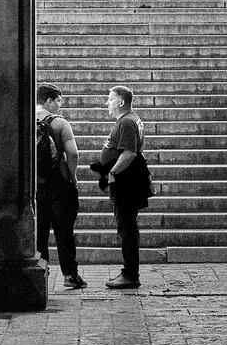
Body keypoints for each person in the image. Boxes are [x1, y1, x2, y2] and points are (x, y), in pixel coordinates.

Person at [89, 85, 149, 289]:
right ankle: (129, 272)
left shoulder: (127, 122)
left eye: (110, 99)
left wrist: (112, 172)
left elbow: (129, 153)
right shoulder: (131, 120)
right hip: (127, 180)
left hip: (126, 182)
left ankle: (130, 274)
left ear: (121, 102)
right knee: (127, 226)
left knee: (127, 227)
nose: (107, 103)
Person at [35, 84, 86, 290]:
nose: (60, 105)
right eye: (58, 101)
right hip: (58, 185)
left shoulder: (27, 120)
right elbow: (72, 153)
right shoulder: (59, 123)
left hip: (36, 186)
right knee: (64, 231)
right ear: (49, 101)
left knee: (39, 232)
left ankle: (40, 273)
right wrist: (72, 175)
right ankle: (70, 275)